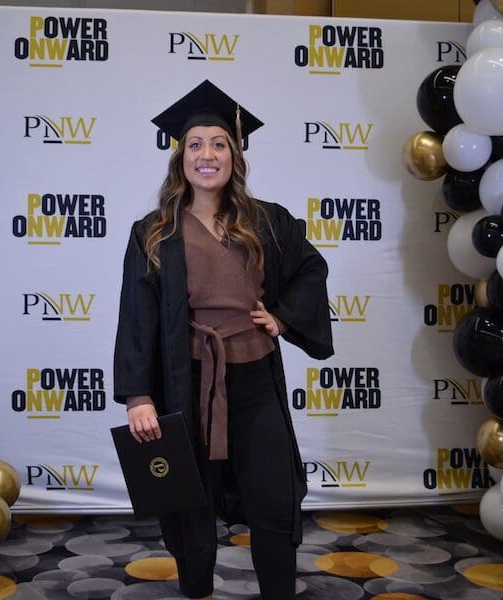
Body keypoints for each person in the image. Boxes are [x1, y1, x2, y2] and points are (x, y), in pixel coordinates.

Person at [113, 79, 334, 600]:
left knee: (272, 496)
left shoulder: (267, 222)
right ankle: (198, 592)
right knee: (190, 501)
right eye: (195, 145)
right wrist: (140, 397)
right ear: (180, 157)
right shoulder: (153, 232)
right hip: (185, 379)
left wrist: (280, 317)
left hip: (254, 377)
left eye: (218, 144)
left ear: (235, 154)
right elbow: (137, 317)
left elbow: (310, 269)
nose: (206, 155)